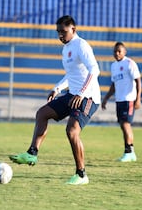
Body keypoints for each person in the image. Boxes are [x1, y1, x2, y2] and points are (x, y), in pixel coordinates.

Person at [9, 15, 101, 185]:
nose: (60, 35)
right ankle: (32, 153)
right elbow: (71, 74)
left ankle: (81, 175)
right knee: (42, 113)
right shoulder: (66, 49)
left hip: (88, 97)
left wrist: (81, 93)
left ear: (73, 29)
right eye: (58, 32)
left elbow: (95, 70)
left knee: (72, 131)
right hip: (72, 95)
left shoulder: (81, 45)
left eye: (63, 32)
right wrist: (57, 88)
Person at [101, 42, 142, 162]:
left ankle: (128, 152)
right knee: (122, 125)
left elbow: (138, 81)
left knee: (125, 124)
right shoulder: (114, 66)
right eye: (115, 51)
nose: (117, 53)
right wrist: (106, 98)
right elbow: (114, 84)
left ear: (125, 52)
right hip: (119, 99)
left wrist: (138, 98)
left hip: (129, 99)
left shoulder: (130, 63)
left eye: (119, 51)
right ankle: (131, 152)